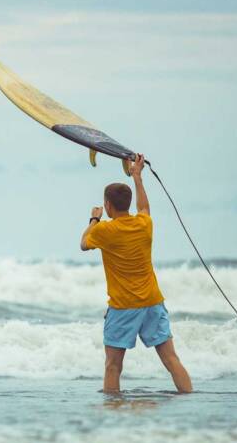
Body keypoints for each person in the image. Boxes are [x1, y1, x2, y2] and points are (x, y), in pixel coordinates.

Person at [80, 153, 192, 394]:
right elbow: (144, 207)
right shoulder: (144, 224)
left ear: (108, 205)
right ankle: (189, 399)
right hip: (152, 302)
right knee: (171, 360)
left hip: (123, 307)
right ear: (127, 204)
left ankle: (113, 408)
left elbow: (83, 243)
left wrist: (94, 218)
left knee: (113, 366)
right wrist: (137, 176)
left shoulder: (104, 231)